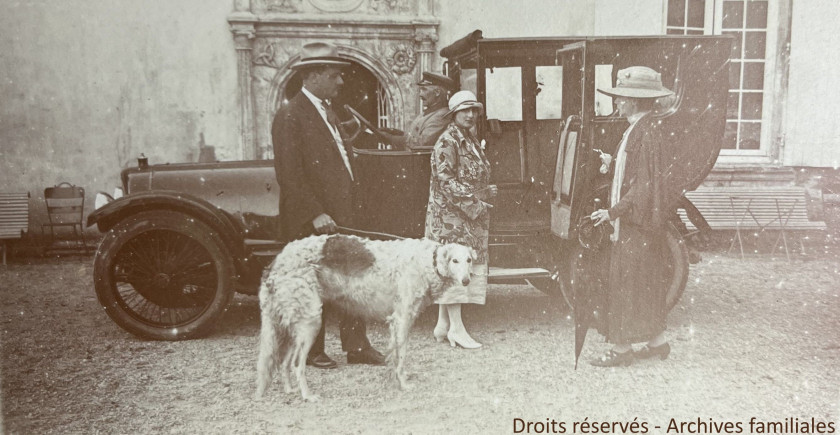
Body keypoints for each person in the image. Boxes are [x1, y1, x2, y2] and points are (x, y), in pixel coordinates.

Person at [271, 41, 384, 369]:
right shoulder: (291, 114)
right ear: (313, 75)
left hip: (340, 215)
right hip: (314, 220)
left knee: (351, 280)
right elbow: (289, 174)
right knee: (314, 284)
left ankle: (357, 346)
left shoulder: (327, 111)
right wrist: (315, 212)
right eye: (334, 76)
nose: (341, 82)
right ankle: (310, 350)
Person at [588, 66, 675, 367]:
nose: (618, 102)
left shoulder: (646, 132)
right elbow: (638, 172)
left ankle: (622, 351)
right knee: (645, 281)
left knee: (625, 282)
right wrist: (612, 163)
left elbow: (643, 186)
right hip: (643, 222)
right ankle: (657, 343)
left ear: (636, 101)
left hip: (636, 223)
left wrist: (612, 212)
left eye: (622, 97)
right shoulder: (643, 128)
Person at [425, 90, 497, 349]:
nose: (470, 114)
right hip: (450, 219)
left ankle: (442, 325)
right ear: (453, 114)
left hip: (462, 216)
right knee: (455, 269)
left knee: (454, 269)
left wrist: (485, 191)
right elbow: (447, 182)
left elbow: (468, 176)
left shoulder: (468, 138)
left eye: (474, 109)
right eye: (464, 110)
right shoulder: (448, 141)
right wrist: (476, 203)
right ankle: (456, 328)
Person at [377, 71, 457, 150]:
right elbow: (414, 136)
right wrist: (395, 132)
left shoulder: (443, 115)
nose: (420, 94)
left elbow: (421, 143)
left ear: (437, 92)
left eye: (424, 89)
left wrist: (391, 138)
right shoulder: (429, 112)